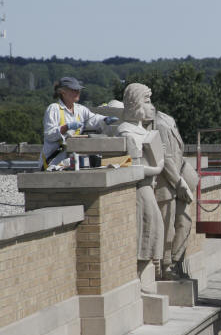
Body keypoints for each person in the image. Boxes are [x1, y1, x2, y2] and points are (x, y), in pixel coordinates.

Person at [116, 83, 165, 280]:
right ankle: (140, 277)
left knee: (155, 227)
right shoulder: (126, 132)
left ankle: (148, 274)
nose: (152, 106)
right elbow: (128, 166)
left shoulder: (141, 130)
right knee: (149, 227)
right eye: (147, 101)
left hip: (149, 186)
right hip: (140, 188)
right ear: (135, 104)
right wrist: (157, 168)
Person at [39, 77, 119, 170]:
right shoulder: (54, 109)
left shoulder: (80, 109)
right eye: (74, 90)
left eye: (78, 90)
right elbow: (49, 135)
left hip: (70, 163)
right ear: (63, 92)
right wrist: (66, 127)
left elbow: (93, 119)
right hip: (52, 164)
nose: (78, 92)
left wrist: (105, 119)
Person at [154, 108, 196, 280]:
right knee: (167, 228)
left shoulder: (168, 121)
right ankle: (165, 267)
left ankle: (173, 262)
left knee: (183, 222)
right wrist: (179, 182)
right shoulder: (161, 125)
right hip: (167, 186)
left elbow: (176, 156)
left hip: (177, 183)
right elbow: (166, 158)